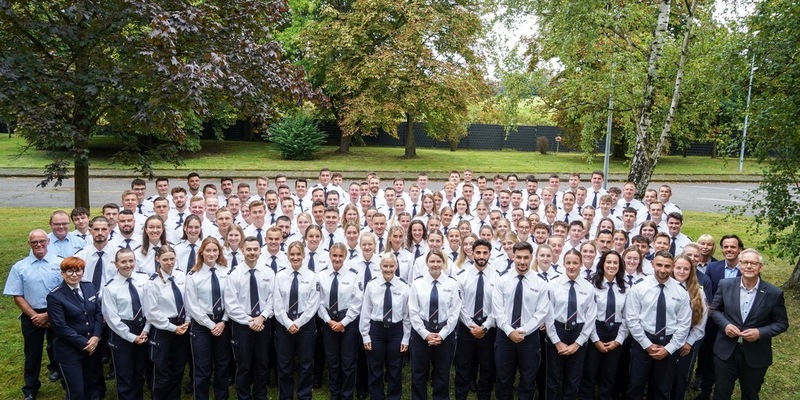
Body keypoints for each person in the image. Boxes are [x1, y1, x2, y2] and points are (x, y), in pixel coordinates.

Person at [710, 249, 789, 400]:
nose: (749, 266)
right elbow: (714, 310)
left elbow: (782, 323)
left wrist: (760, 333)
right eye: (745, 262)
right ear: (739, 265)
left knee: (751, 395)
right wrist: (725, 325)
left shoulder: (773, 293)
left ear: (761, 267)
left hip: (756, 355)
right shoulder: (725, 285)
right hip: (726, 352)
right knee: (721, 393)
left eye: (754, 263)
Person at [4, 229, 64, 399]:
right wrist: (34, 316)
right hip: (32, 315)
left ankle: (65, 380)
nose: (38, 244)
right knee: (32, 353)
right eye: (34, 242)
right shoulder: (20, 267)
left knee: (60, 349)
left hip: (56, 312)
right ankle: (30, 388)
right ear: (29, 243)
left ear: (48, 241)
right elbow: (17, 295)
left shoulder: (60, 264)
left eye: (42, 241)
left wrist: (48, 314)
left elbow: (65, 292)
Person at [625, 250, 692, 400]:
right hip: (643, 342)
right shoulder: (639, 287)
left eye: (667, 266)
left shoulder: (681, 292)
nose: (663, 269)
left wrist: (669, 349)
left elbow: (684, 325)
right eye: (659, 265)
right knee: (635, 386)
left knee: (662, 389)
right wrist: (646, 344)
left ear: (673, 266)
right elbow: (632, 319)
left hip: (668, 343)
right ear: (652, 264)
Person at [492, 242, 550, 400]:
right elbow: (497, 309)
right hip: (505, 335)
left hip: (529, 337)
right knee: (503, 378)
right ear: (513, 257)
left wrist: (523, 331)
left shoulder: (540, 283)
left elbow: (541, 312)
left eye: (526, 257)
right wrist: (510, 331)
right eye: (519, 257)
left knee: (528, 379)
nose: (522, 261)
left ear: (532, 258)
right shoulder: (502, 280)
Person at [223, 236, 275, 400]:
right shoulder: (234, 274)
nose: (252, 252)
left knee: (262, 362)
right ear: (242, 250)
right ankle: (243, 396)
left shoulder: (268, 272)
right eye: (249, 249)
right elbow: (231, 304)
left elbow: (273, 299)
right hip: (242, 325)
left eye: (255, 249)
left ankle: (260, 395)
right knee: (243, 364)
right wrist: (250, 321)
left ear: (260, 250)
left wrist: (262, 317)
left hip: (263, 323)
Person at [47, 256, 103, 400]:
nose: (74, 275)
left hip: (91, 347)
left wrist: (96, 337)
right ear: (62, 273)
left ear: (83, 272)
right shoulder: (55, 296)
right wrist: (85, 344)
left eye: (78, 271)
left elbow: (97, 313)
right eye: (69, 271)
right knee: (76, 392)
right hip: (69, 351)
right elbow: (60, 327)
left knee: (88, 387)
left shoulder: (89, 287)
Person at [408, 249, 462, 400]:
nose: (435, 264)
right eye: (432, 261)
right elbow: (413, 311)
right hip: (421, 334)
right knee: (419, 373)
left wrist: (442, 334)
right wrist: (425, 334)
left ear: (444, 263)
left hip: (444, 334)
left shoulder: (452, 284)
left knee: (442, 373)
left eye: (439, 261)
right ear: (426, 263)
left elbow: (454, 311)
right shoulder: (418, 284)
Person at [544, 249, 597, 400]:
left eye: (575, 263)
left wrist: (578, 343)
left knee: (573, 378)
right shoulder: (553, 285)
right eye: (568, 262)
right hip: (557, 331)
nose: (572, 266)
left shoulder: (588, 288)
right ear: (563, 263)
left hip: (577, 333)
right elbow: (548, 314)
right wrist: (556, 341)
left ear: (581, 264)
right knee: (553, 377)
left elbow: (590, 317)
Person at [185, 237, 232, 400]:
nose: (211, 253)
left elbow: (231, 299)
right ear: (201, 252)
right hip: (202, 324)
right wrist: (211, 324)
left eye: (215, 250)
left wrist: (224, 321)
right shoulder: (193, 275)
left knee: (222, 364)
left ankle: (222, 396)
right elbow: (191, 304)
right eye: (208, 250)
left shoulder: (226, 271)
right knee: (202, 368)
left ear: (219, 252)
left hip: (223, 323)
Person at [142, 245, 191, 400]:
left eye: (172, 259)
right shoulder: (152, 282)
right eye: (165, 259)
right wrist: (172, 328)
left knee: (178, 367)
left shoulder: (182, 276)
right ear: (158, 259)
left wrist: (187, 321)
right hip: (162, 327)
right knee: (160, 368)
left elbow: (189, 300)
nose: (169, 262)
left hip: (182, 325)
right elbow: (151, 312)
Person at [359, 253, 410, 400]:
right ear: (380, 266)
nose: (388, 269)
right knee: (375, 368)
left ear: (396, 266)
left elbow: (407, 315)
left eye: (391, 266)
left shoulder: (404, 286)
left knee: (395, 369)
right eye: (385, 266)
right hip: (376, 331)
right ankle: (377, 396)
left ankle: (394, 397)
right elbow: (366, 312)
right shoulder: (372, 285)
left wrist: (406, 338)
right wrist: (365, 335)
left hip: (396, 331)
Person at [101, 248, 150, 400]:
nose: (128, 265)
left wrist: (147, 329)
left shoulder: (144, 279)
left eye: (131, 261)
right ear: (116, 264)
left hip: (143, 329)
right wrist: (130, 337)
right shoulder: (110, 288)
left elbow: (151, 306)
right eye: (123, 261)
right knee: (125, 375)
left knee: (139, 372)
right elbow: (112, 318)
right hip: (122, 334)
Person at [274, 241, 320, 400]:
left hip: (305, 324)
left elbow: (313, 304)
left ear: (303, 255)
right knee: (284, 363)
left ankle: (304, 395)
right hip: (284, 323)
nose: (295, 257)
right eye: (292, 254)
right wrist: (288, 323)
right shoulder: (279, 276)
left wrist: (298, 323)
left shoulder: (312, 276)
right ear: (287, 256)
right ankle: (285, 396)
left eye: (298, 254)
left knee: (306, 363)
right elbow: (277, 302)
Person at [317, 243, 364, 400]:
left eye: (340, 256)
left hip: (348, 324)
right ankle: (335, 394)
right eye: (334, 255)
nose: (337, 259)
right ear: (330, 256)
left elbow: (357, 302)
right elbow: (318, 302)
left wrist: (343, 322)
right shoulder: (321, 275)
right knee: (333, 361)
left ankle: (346, 395)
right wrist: (329, 321)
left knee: (348, 362)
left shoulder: (353, 275)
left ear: (345, 257)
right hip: (328, 321)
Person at [579, 250, 628, 400]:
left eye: (615, 263)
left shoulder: (625, 287)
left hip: (616, 332)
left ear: (620, 266)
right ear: (602, 264)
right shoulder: (592, 285)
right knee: (590, 372)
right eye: (609, 262)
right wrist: (595, 340)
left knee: (609, 373)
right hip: (595, 330)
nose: (612, 265)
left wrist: (618, 340)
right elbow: (588, 314)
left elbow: (627, 317)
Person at [454, 239, 496, 400]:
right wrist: (472, 326)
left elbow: (498, 306)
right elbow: (459, 304)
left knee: (487, 365)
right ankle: (461, 394)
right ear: (472, 252)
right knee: (463, 364)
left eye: (485, 252)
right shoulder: (462, 277)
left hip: (489, 327)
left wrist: (484, 327)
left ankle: (483, 395)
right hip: (467, 326)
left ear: (489, 254)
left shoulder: (497, 277)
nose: (481, 256)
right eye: (478, 252)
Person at [670, 254, 708, 400]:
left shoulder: (698, 292)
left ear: (691, 271)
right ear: (672, 268)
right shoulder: (666, 288)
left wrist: (689, 342)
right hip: (667, 338)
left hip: (686, 341)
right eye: (678, 267)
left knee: (681, 377)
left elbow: (701, 320)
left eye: (686, 269)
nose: (681, 271)